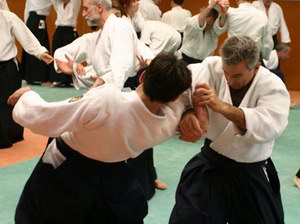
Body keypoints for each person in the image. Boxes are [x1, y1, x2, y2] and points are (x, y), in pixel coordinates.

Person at [9, 53, 192, 223]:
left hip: (67, 169)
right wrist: (192, 110)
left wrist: (28, 96)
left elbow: (46, 117)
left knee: (41, 215)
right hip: (114, 174)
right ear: (174, 97)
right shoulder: (166, 125)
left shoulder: (108, 100)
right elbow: (180, 102)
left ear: (142, 77)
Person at [169, 36, 290, 223]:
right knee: (187, 217)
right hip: (212, 163)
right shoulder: (212, 67)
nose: (229, 80)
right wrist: (188, 113)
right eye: (226, 73)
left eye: (237, 75)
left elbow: (270, 126)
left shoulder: (272, 86)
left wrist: (221, 106)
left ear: (256, 67)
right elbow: (181, 90)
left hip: (250, 170)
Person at [0, 10, 53, 149]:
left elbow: (26, 36)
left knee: (7, 103)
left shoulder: (8, 17)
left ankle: (9, 135)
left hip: (7, 66)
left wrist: (40, 52)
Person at [179, 0, 228, 64]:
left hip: (204, 63)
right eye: (207, 15)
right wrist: (211, 5)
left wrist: (224, 12)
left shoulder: (213, 31)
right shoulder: (191, 23)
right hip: (185, 60)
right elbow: (199, 22)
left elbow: (220, 26)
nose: (209, 20)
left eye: (213, 18)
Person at [49, 0, 81, 87]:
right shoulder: (57, 3)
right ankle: (58, 79)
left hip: (70, 31)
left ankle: (70, 80)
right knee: (57, 53)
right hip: (59, 30)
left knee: (69, 55)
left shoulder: (75, 2)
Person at [21, 0, 53, 86]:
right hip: (37, 19)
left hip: (32, 19)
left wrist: (26, 24)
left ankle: (30, 77)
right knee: (39, 44)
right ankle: (38, 78)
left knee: (36, 44)